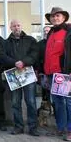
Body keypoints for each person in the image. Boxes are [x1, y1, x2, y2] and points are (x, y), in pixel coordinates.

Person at [0, 20, 39, 136]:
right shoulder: (5, 43)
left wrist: (24, 62)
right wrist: (14, 62)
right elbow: (2, 56)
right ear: (10, 28)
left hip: (27, 74)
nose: (16, 28)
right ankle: (18, 127)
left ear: (21, 26)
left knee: (31, 102)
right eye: (14, 26)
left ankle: (33, 128)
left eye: (18, 25)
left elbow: (35, 54)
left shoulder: (31, 40)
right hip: (13, 75)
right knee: (15, 102)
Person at [43, 7, 71, 140]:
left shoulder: (69, 31)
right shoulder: (51, 32)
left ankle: (70, 131)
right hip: (51, 73)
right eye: (52, 16)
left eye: (57, 15)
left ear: (64, 17)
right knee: (58, 103)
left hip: (65, 73)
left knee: (68, 102)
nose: (55, 18)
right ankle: (61, 128)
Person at [37, 26, 51, 104]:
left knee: (53, 92)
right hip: (43, 71)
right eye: (44, 31)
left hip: (53, 71)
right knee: (44, 91)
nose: (46, 32)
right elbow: (37, 58)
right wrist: (39, 71)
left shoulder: (54, 42)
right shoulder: (39, 44)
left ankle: (54, 110)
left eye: (48, 31)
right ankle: (45, 110)